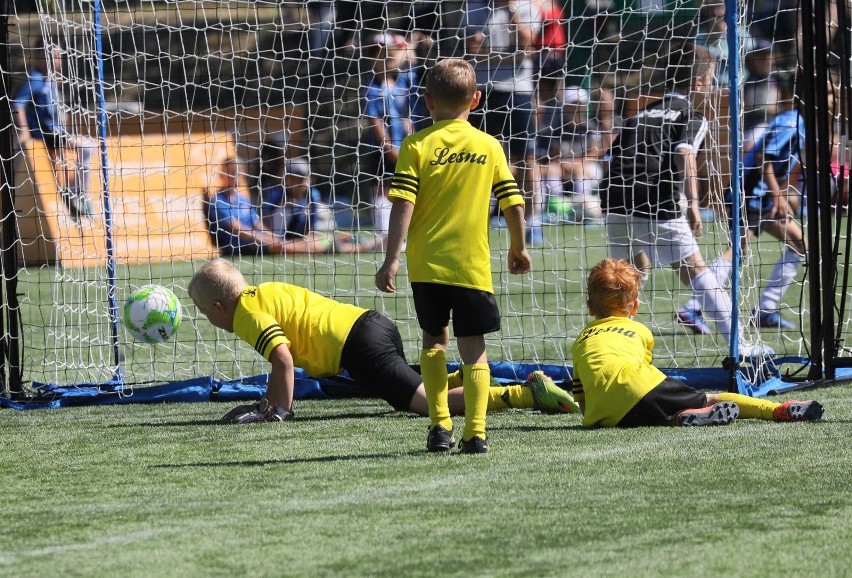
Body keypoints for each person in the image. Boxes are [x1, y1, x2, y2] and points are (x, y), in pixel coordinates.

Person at [188, 258, 576, 424]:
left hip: (358, 346)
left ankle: (525, 394)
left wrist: (277, 413)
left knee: (427, 405)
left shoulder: (244, 315)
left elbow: (283, 360)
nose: (210, 319)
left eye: (207, 313)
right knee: (410, 386)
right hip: (370, 324)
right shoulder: (262, 291)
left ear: (220, 306)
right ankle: (465, 378)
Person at [375, 58, 532, 454]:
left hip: (426, 264)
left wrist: (392, 258)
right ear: (476, 100)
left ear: (426, 100)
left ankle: (440, 426)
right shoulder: (489, 145)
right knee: (473, 349)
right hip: (471, 266)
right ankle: (476, 433)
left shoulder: (416, 145)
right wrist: (518, 247)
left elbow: (402, 206)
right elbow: (513, 202)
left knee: (433, 342)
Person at [571, 258, 824, 428]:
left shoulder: (579, 342)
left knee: (650, 411)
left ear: (590, 306)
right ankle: (775, 410)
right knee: (711, 397)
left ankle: (678, 416)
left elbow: (582, 405)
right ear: (635, 306)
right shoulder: (639, 331)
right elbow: (643, 380)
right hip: (642, 389)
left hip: (606, 417)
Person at [601, 40, 738, 349]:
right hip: (658, 200)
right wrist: (691, 205)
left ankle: (614, 346)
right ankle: (739, 345)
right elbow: (685, 154)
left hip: (615, 200)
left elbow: (612, 155)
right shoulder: (692, 116)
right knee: (697, 270)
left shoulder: (639, 114)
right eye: (711, 79)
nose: (713, 84)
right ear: (699, 83)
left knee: (631, 274)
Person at [677, 75, 808, 333]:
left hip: (762, 195)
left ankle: (765, 311)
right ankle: (693, 306)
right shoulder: (792, 123)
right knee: (738, 249)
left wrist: (779, 194)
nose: (833, 101)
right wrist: (779, 195)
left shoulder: (798, 123)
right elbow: (763, 159)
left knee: (800, 246)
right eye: (827, 95)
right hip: (751, 192)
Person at [467, 0, 545, 245]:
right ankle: (480, 217)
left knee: (527, 160)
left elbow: (527, 43)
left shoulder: (527, 8)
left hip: (517, 91)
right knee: (479, 157)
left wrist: (510, 11)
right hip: (482, 91)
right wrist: (510, 54)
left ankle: (533, 222)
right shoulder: (472, 8)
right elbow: (473, 48)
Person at [13, 40, 96, 219]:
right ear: (39, 57)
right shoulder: (35, 79)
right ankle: (77, 192)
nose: (57, 61)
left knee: (89, 145)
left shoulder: (51, 80)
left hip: (58, 132)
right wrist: (24, 129)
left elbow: (55, 110)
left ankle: (76, 190)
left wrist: (67, 125)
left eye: (58, 57)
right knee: (87, 147)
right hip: (45, 133)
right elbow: (17, 103)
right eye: (52, 57)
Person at [206, 157, 330, 255]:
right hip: (239, 247)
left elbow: (257, 223)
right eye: (232, 173)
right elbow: (237, 228)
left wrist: (272, 236)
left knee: (291, 243)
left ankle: (319, 247)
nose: (236, 177)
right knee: (280, 246)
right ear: (222, 174)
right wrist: (263, 239)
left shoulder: (242, 199)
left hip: (259, 240)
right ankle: (319, 249)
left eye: (238, 173)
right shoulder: (217, 201)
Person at [360, 33, 414, 247]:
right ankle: (384, 235)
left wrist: (410, 138)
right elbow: (374, 120)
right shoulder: (371, 87)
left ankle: (403, 231)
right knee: (381, 187)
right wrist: (388, 146)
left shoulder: (404, 81)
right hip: (382, 147)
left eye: (385, 53)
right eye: (376, 53)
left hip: (405, 145)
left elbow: (408, 116)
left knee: (405, 187)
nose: (381, 58)